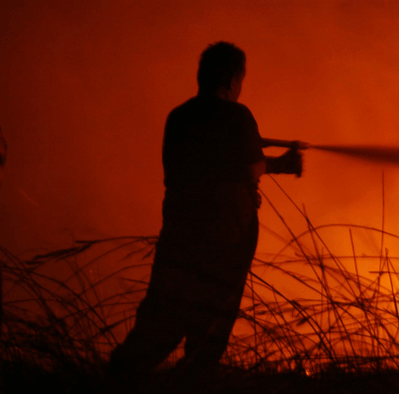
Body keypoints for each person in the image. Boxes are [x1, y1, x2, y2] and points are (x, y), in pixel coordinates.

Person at [107, 42, 302, 384]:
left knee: (163, 309)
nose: (240, 88)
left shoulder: (179, 117)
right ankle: (191, 379)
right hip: (225, 236)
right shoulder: (237, 116)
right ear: (230, 80)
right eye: (240, 80)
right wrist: (282, 164)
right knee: (213, 315)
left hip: (179, 230)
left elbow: (200, 167)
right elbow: (248, 168)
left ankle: (119, 375)